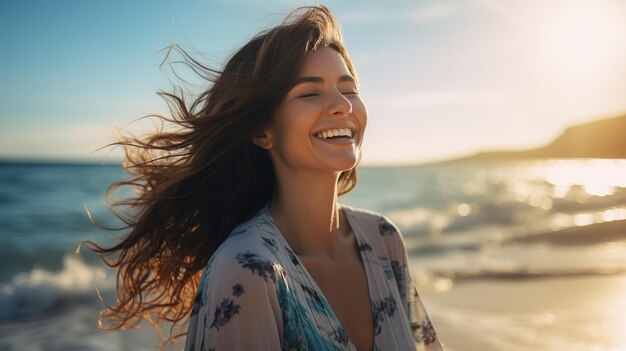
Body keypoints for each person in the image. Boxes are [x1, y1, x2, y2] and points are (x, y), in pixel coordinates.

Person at [88, 5, 443, 351]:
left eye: (348, 89)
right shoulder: (247, 270)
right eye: (310, 92)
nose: (344, 106)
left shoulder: (383, 239)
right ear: (262, 132)